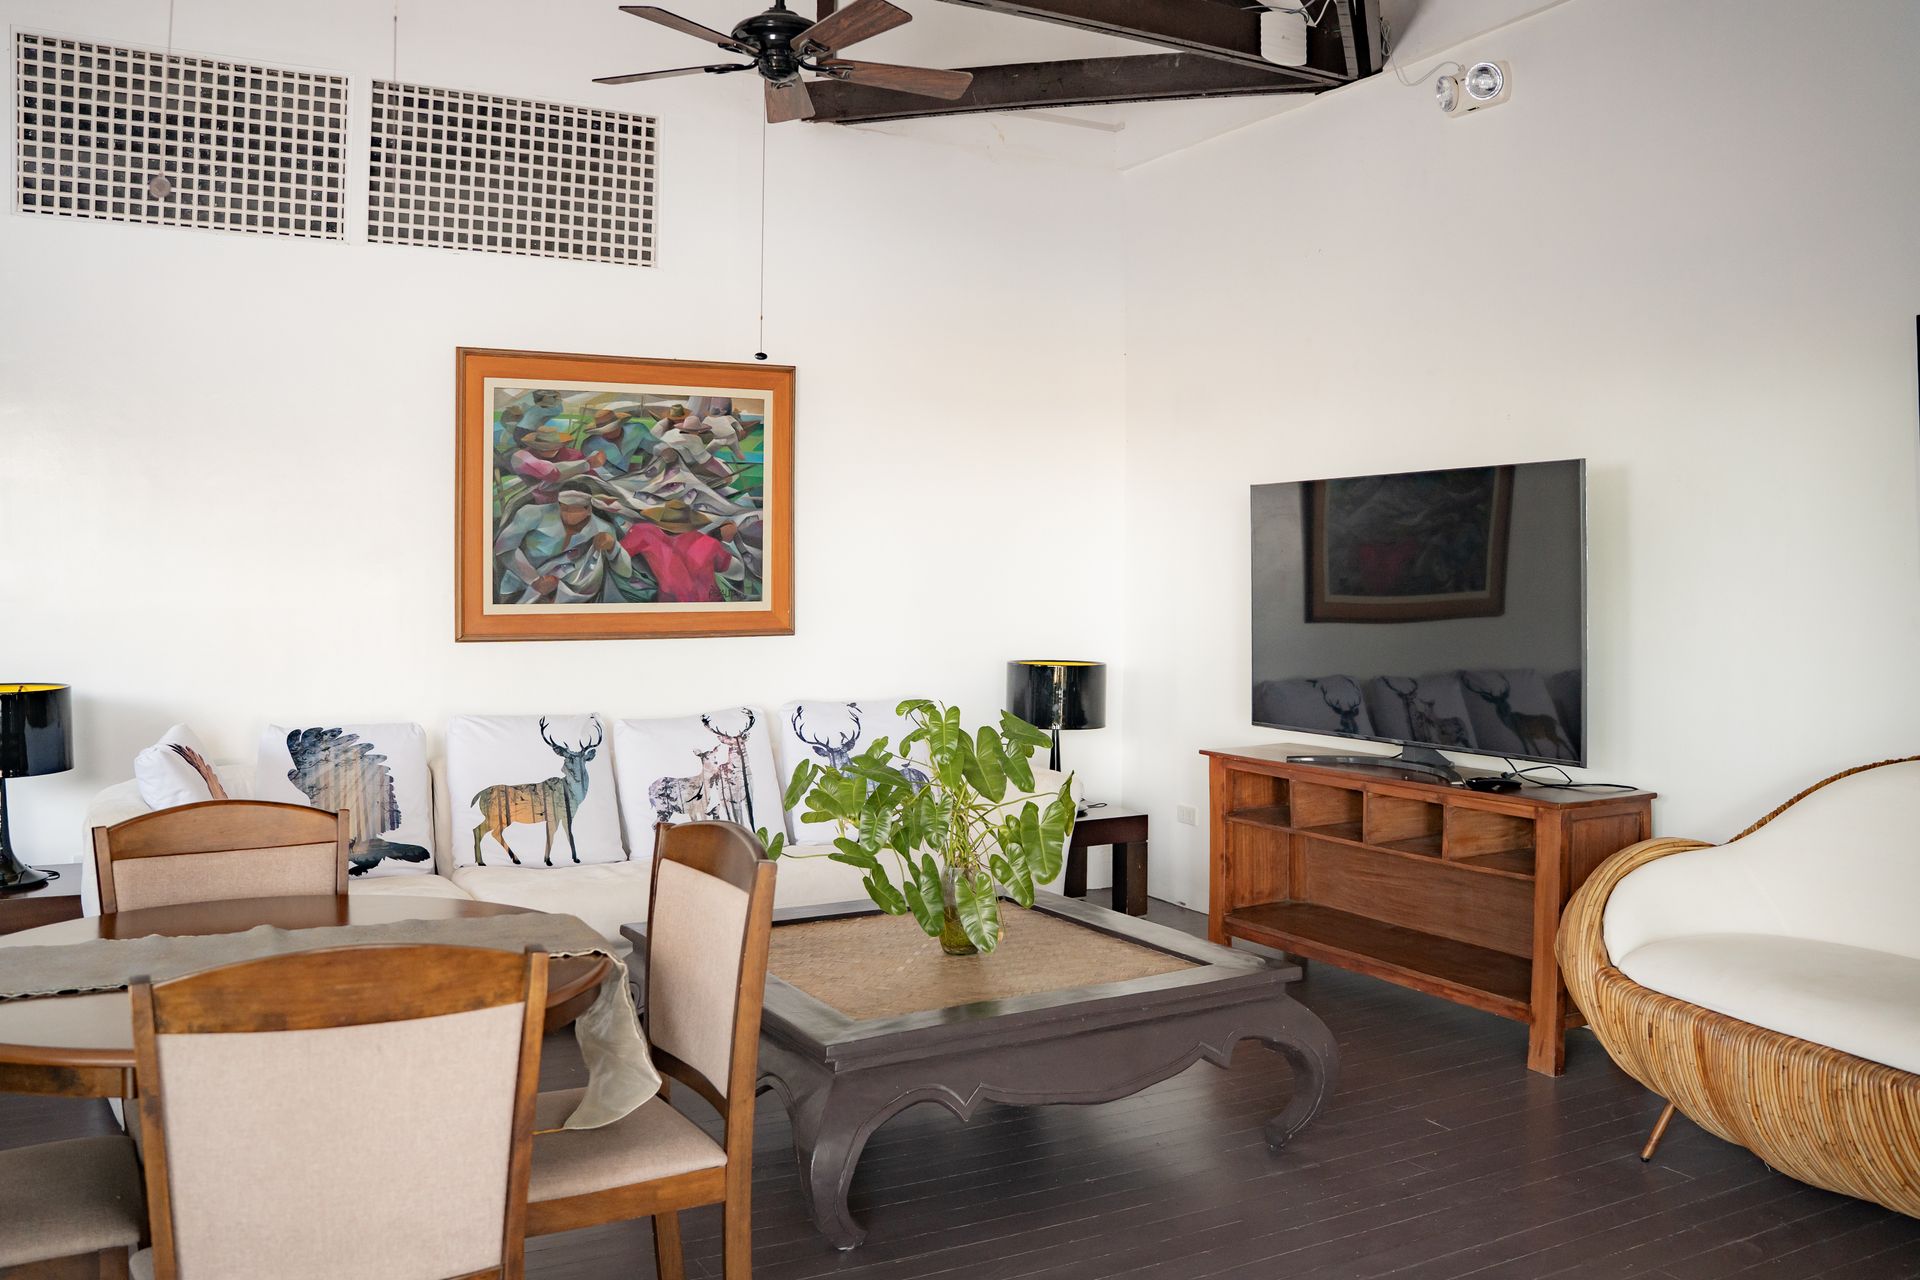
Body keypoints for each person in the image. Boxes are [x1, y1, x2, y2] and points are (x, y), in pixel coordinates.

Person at [494, 485, 631, 603]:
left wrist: (612, 547)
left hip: (570, 596)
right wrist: (534, 580)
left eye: (574, 509)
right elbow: (504, 548)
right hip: (518, 588)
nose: (567, 514)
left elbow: (625, 572)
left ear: (588, 509)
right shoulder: (532, 514)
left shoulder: (603, 529)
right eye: (564, 508)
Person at [618, 498, 737, 604]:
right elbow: (732, 570)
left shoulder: (643, 532)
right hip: (710, 604)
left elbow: (618, 555)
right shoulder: (709, 542)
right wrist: (721, 539)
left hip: (672, 606)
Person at [509, 424, 606, 505]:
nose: (548, 450)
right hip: (544, 504)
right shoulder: (523, 457)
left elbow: (592, 477)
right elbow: (551, 473)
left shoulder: (574, 455)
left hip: (575, 501)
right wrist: (589, 463)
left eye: (552, 446)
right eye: (543, 446)